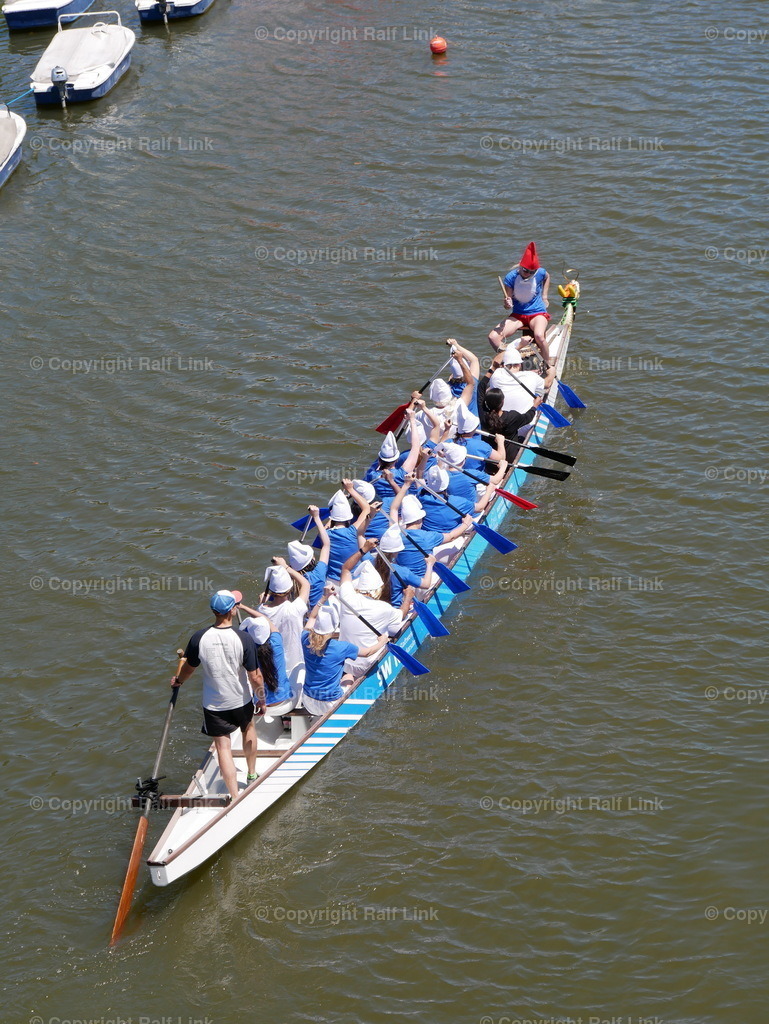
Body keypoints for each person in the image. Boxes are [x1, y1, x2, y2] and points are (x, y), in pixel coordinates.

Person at [172, 590, 264, 799]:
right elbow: (255, 677)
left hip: (214, 705)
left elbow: (188, 668)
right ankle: (251, 774)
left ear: (214, 611)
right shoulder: (244, 638)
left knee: (223, 748)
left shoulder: (198, 638)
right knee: (249, 729)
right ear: (232, 610)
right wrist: (261, 698)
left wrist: (178, 681)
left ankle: (234, 796)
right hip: (241, 700)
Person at [301, 588, 388, 717]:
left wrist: (324, 597)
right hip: (330, 704)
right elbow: (367, 653)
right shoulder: (341, 647)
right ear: (335, 627)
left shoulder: (305, 638)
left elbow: (312, 616)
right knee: (348, 675)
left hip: (308, 700)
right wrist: (382, 642)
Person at [338, 548, 405, 681]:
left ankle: (348, 679)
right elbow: (401, 614)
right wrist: (408, 597)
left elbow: (346, 569)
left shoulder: (346, 596)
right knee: (395, 626)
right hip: (368, 663)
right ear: (376, 590)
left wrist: (362, 550)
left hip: (346, 661)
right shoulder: (384, 607)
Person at [248, 560, 311, 700]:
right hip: (297, 663)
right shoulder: (295, 609)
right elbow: (305, 584)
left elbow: (264, 607)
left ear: (271, 592)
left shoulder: (261, 610)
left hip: (274, 666)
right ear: (289, 590)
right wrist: (285, 567)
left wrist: (265, 601)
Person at [389, 475, 472, 579]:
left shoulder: (394, 532)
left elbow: (393, 509)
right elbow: (451, 536)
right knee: (459, 539)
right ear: (420, 519)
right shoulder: (427, 536)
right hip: (422, 579)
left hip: (401, 577)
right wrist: (466, 524)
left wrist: (406, 486)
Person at [488, 242, 552, 366]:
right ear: (520, 266)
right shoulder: (511, 278)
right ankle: (508, 361)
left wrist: (545, 296)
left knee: (539, 335)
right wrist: (507, 303)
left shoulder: (540, 273)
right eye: (525, 270)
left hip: (538, 312)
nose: (527, 274)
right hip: (518, 314)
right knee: (493, 337)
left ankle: (548, 366)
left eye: (531, 272)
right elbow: (508, 305)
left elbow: (547, 277)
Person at [478, 354, 543, 456]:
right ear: (502, 402)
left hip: (490, 454)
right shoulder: (512, 416)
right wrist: (535, 406)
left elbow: (480, 387)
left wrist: (493, 368)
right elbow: (528, 417)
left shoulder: (483, 413)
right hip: (509, 456)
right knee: (521, 437)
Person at [238, 610, 295, 717]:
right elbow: (267, 620)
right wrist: (242, 607)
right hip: (284, 704)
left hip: (261, 705)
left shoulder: (247, 651)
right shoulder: (276, 641)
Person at [365, 408, 422, 510]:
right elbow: (416, 446)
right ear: (396, 460)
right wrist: (412, 419)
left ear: (379, 459)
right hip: (401, 507)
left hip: (382, 507)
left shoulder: (372, 474)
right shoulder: (402, 473)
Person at [287, 505, 329, 608]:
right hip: (319, 612)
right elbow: (326, 545)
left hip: (303, 617)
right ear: (313, 559)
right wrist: (316, 517)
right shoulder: (319, 573)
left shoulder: (289, 581)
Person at [325, 482, 369, 581]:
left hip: (332, 579)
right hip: (353, 578)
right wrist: (350, 489)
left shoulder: (324, 534)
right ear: (349, 518)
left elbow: (327, 525)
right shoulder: (353, 531)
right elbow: (366, 508)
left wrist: (333, 514)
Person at [488, 345, 546, 417]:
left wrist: (511, 348)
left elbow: (496, 361)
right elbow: (548, 383)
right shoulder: (531, 376)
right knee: (542, 389)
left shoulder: (496, 374)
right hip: (525, 423)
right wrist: (551, 372)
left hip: (502, 420)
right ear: (520, 364)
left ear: (504, 364)